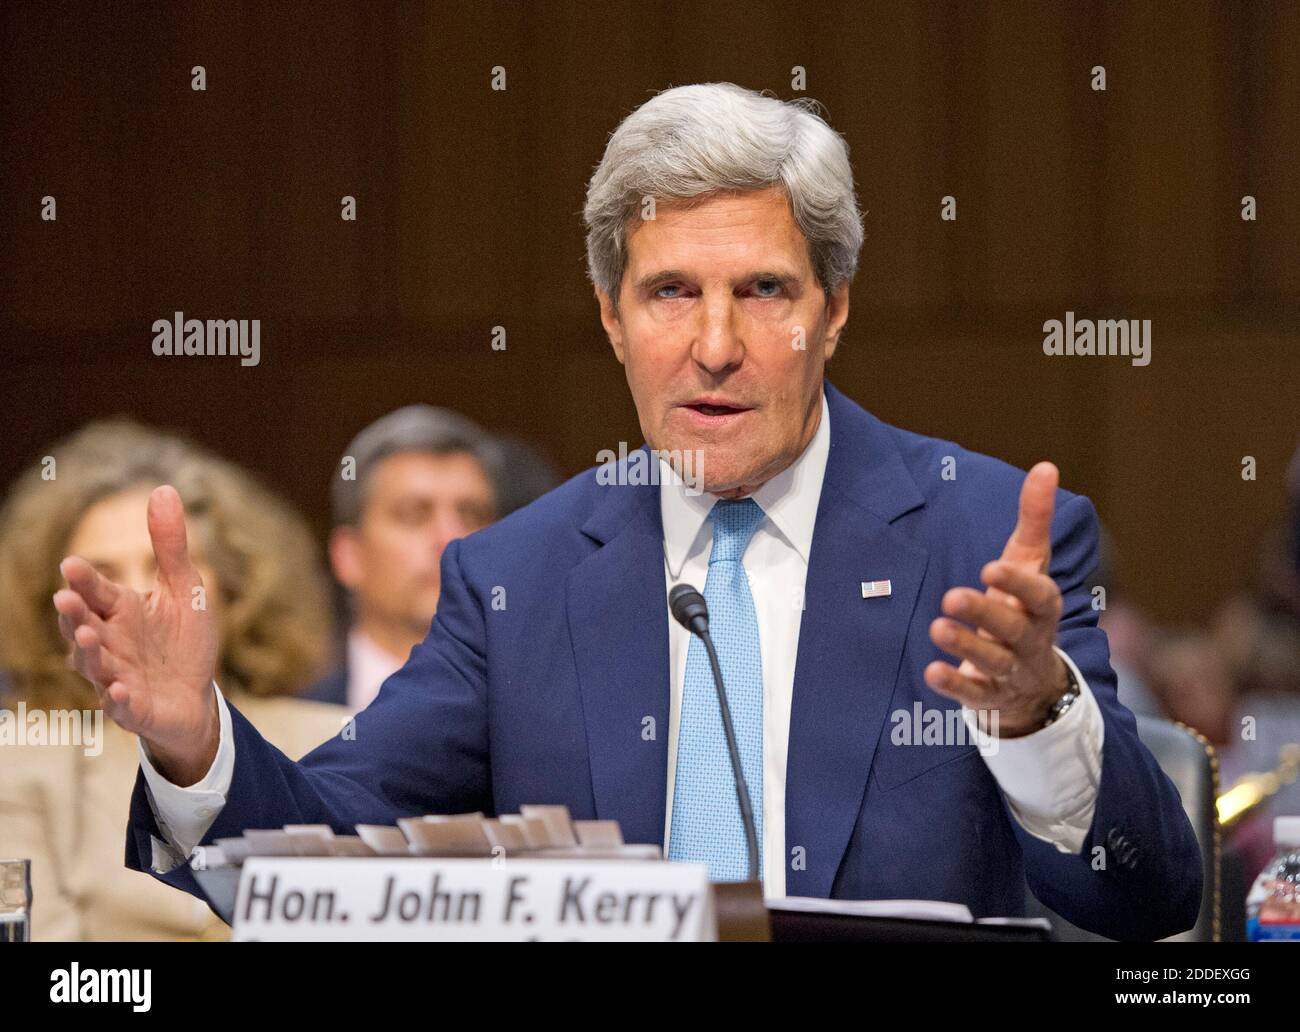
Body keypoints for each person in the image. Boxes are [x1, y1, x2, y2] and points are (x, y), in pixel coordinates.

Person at [57, 83, 1200, 939]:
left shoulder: (975, 537)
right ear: (611, 319)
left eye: (761, 290)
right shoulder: (519, 577)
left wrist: (1035, 718)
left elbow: (1148, 902)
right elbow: (317, 856)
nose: (713, 346)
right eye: (669, 293)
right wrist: (194, 739)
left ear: (833, 312)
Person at [0, 420, 347, 940]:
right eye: (104, 573)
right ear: (55, 610)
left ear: (236, 591)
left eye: (163, 569)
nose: (140, 600)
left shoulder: (338, 737)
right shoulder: (23, 761)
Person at [303, 406, 505, 709]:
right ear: (349, 555)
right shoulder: (283, 727)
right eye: (414, 515)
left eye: (472, 515)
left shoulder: (545, 715)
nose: (451, 539)